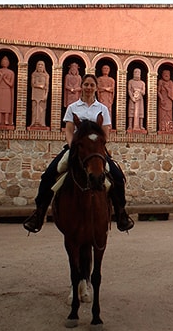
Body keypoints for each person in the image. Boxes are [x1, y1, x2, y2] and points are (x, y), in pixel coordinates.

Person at [23, 74, 134, 233]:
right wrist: (73, 146)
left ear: (96, 88)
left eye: (91, 85)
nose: (89, 88)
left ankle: (121, 213)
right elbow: (69, 131)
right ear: (82, 86)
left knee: (117, 176)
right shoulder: (72, 107)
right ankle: (38, 214)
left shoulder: (102, 109)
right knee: (48, 175)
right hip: (76, 149)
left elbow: (105, 133)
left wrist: (98, 147)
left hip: (96, 151)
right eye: (86, 85)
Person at [0, 56, 15, 126]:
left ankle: (6, 120)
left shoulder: (11, 72)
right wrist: (1, 76)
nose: (5, 63)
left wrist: (4, 78)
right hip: (0, 89)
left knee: (7, 105)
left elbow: (11, 84)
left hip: (7, 90)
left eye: (6, 62)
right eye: (3, 62)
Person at [29, 61, 49, 127]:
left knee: (42, 108)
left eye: (42, 65)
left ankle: (42, 123)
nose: (40, 66)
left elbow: (47, 86)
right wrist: (40, 86)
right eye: (39, 65)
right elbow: (32, 84)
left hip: (42, 94)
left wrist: (46, 94)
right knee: (34, 108)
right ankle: (33, 122)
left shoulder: (46, 75)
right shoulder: (34, 74)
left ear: (44, 67)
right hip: (35, 93)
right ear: (37, 66)